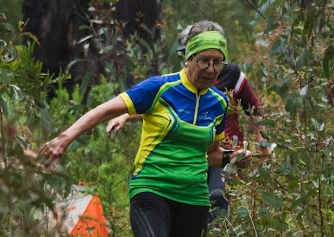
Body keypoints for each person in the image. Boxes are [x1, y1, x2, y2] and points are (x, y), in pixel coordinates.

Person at [38, 26, 236, 237]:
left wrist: (236, 158)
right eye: (203, 60)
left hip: (193, 196)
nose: (210, 68)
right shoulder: (160, 87)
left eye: (217, 63)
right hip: (151, 188)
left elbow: (212, 155)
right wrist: (65, 138)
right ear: (188, 58)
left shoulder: (218, 103)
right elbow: (105, 109)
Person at [108, 21, 270, 220]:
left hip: (223, 151)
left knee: (217, 196)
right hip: (191, 153)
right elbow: (164, 109)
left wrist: (263, 143)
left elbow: (254, 109)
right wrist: (125, 115)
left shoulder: (232, 74)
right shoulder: (181, 79)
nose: (207, 67)